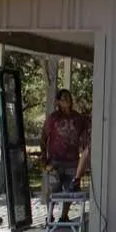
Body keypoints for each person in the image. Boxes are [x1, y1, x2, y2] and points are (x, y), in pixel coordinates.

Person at [41, 89, 90, 222]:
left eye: (68, 97)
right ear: (58, 101)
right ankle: (49, 215)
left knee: (70, 190)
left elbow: (85, 137)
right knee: (53, 190)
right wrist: (44, 160)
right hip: (55, 160)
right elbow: (44, 137)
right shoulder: (53, 118)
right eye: (63, 98)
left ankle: (64, 216)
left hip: (72, 160)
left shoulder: (79, 118)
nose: (67, 100)